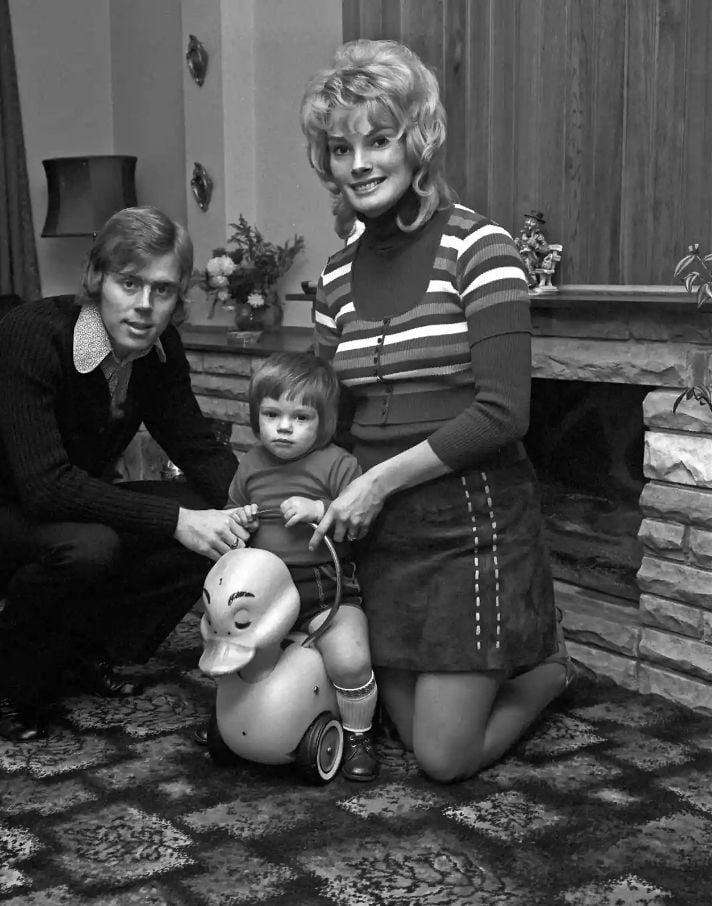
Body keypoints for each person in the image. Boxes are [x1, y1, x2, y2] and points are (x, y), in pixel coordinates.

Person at [298, 40, 570, 782]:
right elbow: (329, 413)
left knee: (442, 759)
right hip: (383, 540)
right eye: (341, 146)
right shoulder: (333, 278)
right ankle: (504, 668)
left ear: (416, 143)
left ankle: (548, 672)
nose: (360, 162)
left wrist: (378, 482)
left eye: (379, 139)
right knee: (393, 717)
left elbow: (504, 413)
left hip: (471, 530)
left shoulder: (481, 247)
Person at [0, 206, 251, 742]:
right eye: (130, 283)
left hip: (73, 509)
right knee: (94, 547)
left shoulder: (159, 350)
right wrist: (175, 520)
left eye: (163, 290)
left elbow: (198, 450)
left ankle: (86, 649)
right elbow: (45, 485)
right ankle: (3, 668)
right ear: (98, 278)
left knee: (210, 515)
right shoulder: (29, 335)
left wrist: (260, 507)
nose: (145, 306)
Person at [228, 352, 379, 781]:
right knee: (236, 647)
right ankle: (236, 717)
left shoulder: (338, 464)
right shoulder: (251, 463)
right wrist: (239, 519)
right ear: (256, 416)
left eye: (301, 417)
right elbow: (231, 510)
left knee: (349, 658)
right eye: (272, 414)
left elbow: (360, 525)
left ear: (325, 422)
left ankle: (358, 733)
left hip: (325, 584)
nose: (284, 427)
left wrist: (321, 508)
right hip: (266, 586)